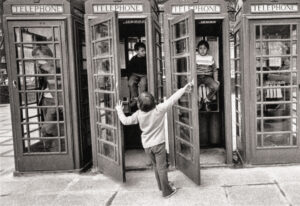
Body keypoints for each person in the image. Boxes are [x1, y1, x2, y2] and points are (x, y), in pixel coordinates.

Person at [115, 81, 193, 198]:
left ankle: (162, 186)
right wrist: (184, 89)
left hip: (147, 146)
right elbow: (172, 99)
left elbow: (125, 121)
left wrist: (119, 110)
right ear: (154, 102)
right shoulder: (159, 109)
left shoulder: (138, 114)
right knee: (162, 168)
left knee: (156, 166)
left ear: (139, 105)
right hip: (159, 145)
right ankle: (167, 191)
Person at [32, 45, 63, 151]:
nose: (36, 58)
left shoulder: (54, 66)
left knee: (47, 128)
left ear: (47, 54)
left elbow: (57, 83)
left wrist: (58, 105)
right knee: (48, 129)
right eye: (34, 56)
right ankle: (49, 150)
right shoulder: (41, 68)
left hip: (54, 102)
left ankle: (53, 150)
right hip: (45, 100)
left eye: (38, 55)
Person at [196, 40, 220, 111]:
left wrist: (215, 79)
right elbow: (191, 69)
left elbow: (215, 69)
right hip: (197, 76)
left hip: (207, 77)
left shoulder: (210, 58)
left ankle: (207, 100)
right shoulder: (195, 57)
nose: (202, 50)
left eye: (204, 48)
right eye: (200, 48)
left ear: (207, 49)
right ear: (198, 49)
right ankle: (199, 100)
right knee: (191, 87)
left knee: (216, 87)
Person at [127, 42, 147, 108]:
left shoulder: (147, 59)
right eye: (142, 51)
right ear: (136, 51)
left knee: (143, 84)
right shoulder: (133, 59)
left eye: (145, 50)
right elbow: (129, 69)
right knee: (131, 83)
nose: (144, 52)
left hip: (144, 75)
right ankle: (134, 100)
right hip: (135, 74)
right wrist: (129, 77)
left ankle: (142, 101)